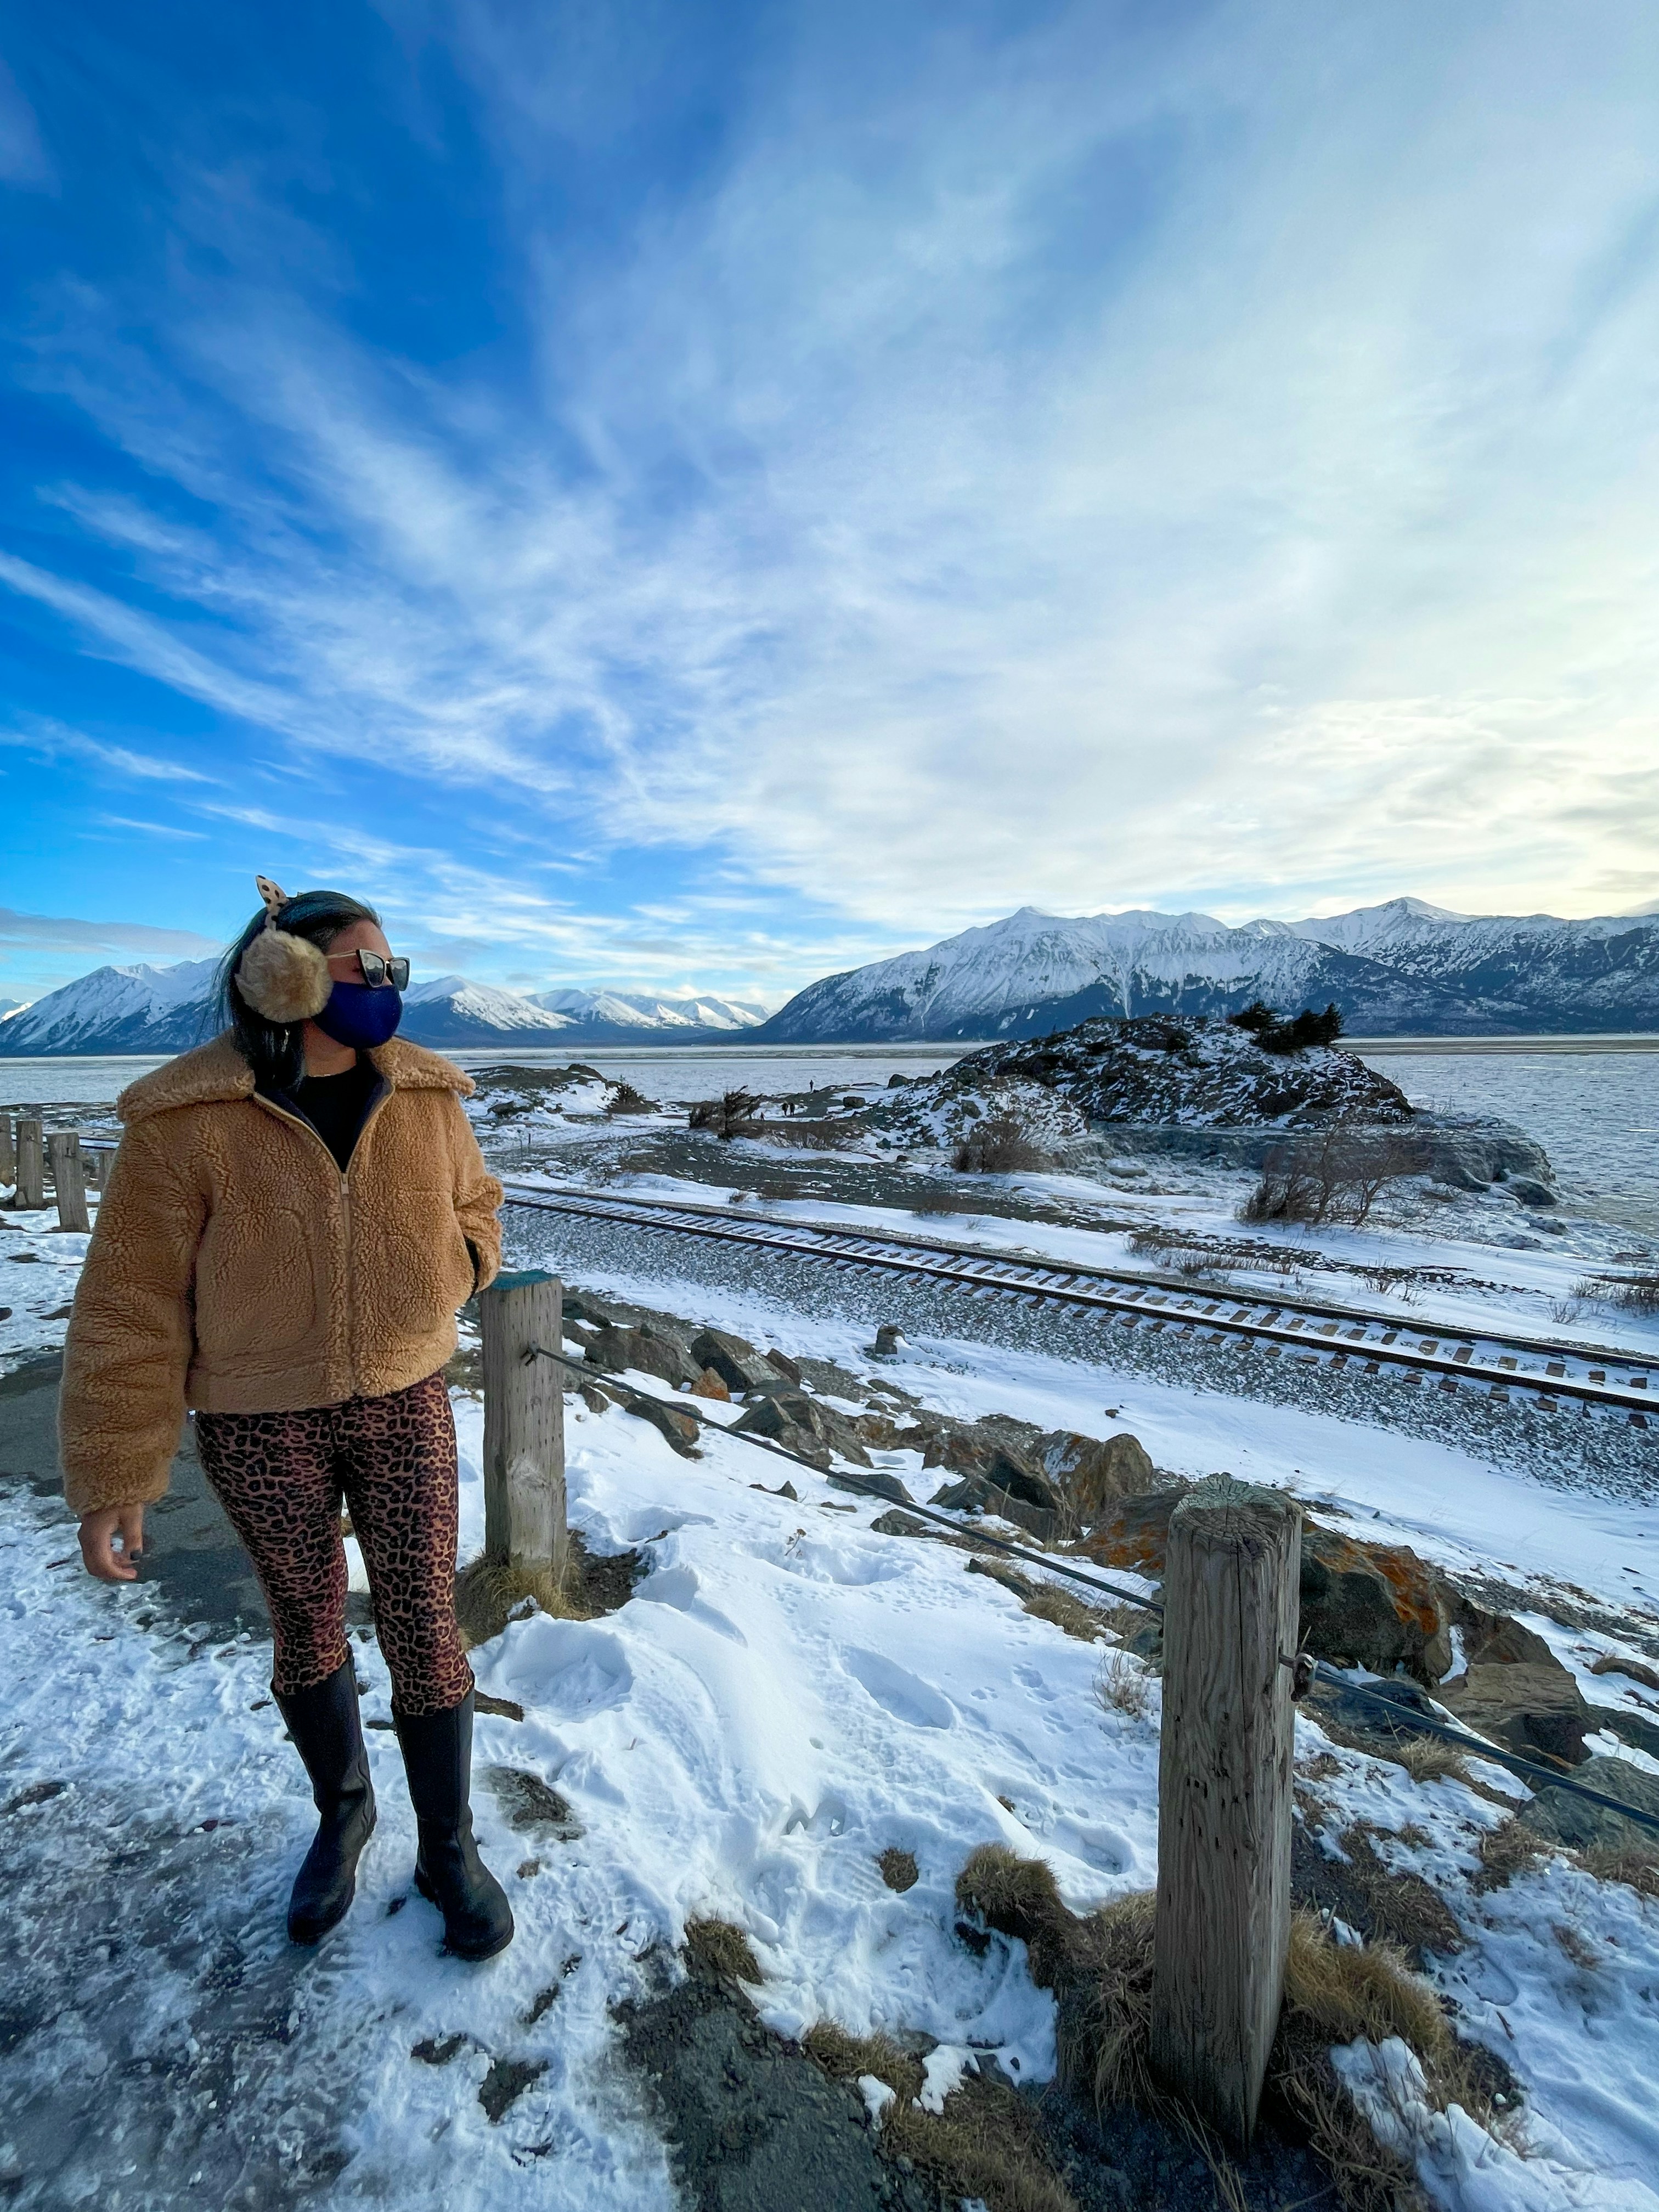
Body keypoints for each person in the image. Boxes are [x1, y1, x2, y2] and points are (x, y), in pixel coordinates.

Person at [59, 878, 514, 1960]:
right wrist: (116, 1469)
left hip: (404, 1396)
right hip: (263, 1421)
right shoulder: (187, 1120)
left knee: (423, 1625)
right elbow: (129, 1300)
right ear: (288, 979)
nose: (389, 985)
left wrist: (460, 1264)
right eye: (369, 966)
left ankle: (447, 1848)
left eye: (391, 965)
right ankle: (344, 1812)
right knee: (306, 1623)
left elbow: (481, 1205)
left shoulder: (428, 1097)